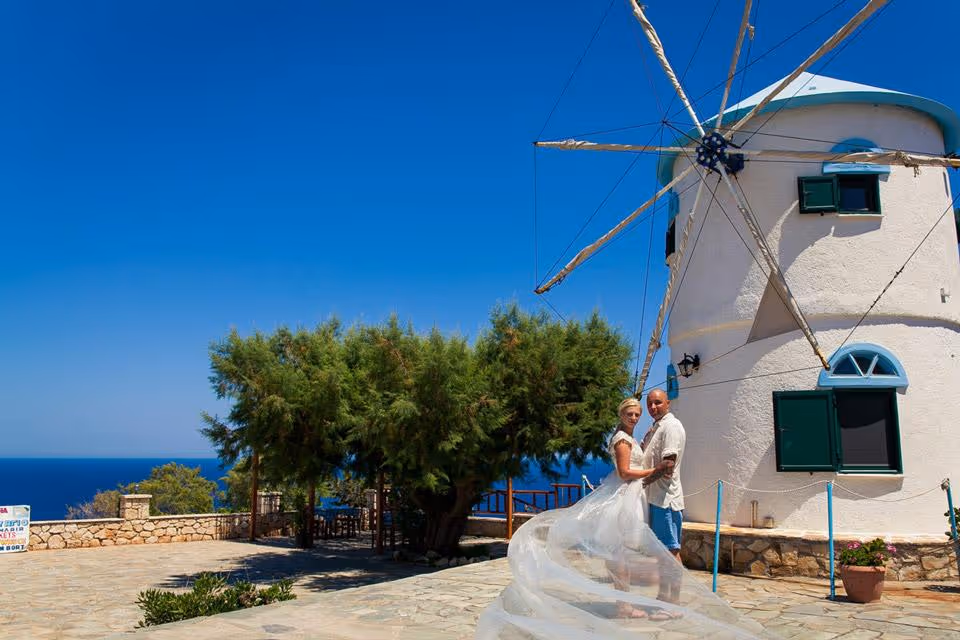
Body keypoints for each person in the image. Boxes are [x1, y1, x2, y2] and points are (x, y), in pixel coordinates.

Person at [607, 396, 659, 618]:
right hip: (625, 497)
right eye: (630, 414)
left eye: (637, 414)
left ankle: (624, 604)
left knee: (622, 554)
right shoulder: (622, 439)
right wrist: (654, 471)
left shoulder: (628, 437)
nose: (634, 418)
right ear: (621, 415)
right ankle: (623, 606)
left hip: (632, 494)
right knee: (621, 554)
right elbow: (624, 472)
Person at [641, 388, 687, 606]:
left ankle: (674, 602)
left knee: (671, 552)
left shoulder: (671, 427)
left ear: (668, 403)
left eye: (658, 402)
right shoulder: (657, 427)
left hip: (666, 500)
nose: (653, 407)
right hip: (656, 499)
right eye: (649, 403)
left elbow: (668, 464)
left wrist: (642, 482)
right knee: (662, 554)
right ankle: (663, 597)